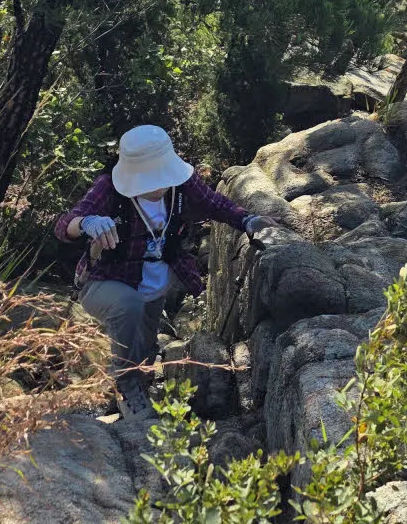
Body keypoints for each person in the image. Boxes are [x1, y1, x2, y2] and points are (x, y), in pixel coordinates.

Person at [55, 124, 272, 419]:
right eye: (149, 180)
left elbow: (213, 204)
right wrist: (87, 222)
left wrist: (247, 220)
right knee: (127, 307)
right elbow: (63, 226)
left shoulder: (180, 185)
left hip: (154, 282)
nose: (158, 186)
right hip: (105, 280)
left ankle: (136, 382)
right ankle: (126, 389)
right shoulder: (110, 189)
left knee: (145, 346)